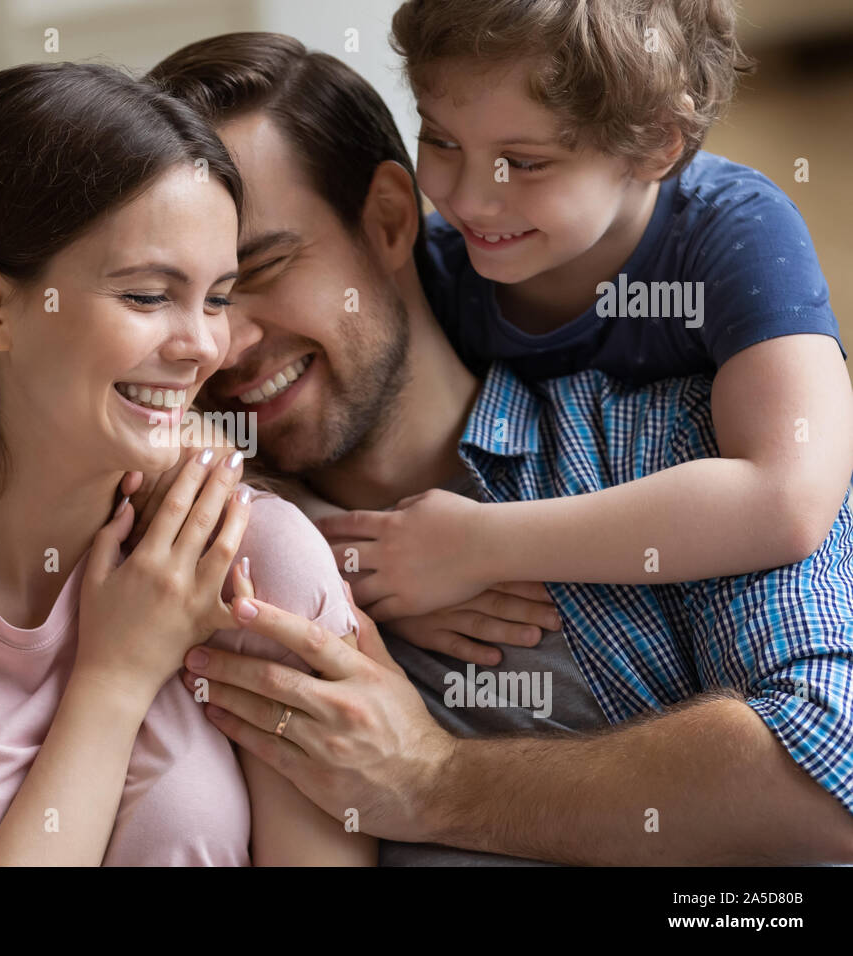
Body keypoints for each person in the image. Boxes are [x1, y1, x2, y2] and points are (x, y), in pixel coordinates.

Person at [146, 31, 853, 864]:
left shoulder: (674, 444)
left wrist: (434, 782)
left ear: (388, 220)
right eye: (166, 296)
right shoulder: (185, 572)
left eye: (257, 272)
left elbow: (829, 767)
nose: (217, 345)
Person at [0, 62, 373, 866]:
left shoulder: (255, 556)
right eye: (149, 296)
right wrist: (112, 683)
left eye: (216, 298)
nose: (202, 349)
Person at [329, 0, 853, 621]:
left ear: (657, 144)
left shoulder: (735, 233)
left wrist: (476, 546)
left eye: (524, 163)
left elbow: (787, 498)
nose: (467, 198)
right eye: (440, 140)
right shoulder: (437, 270)